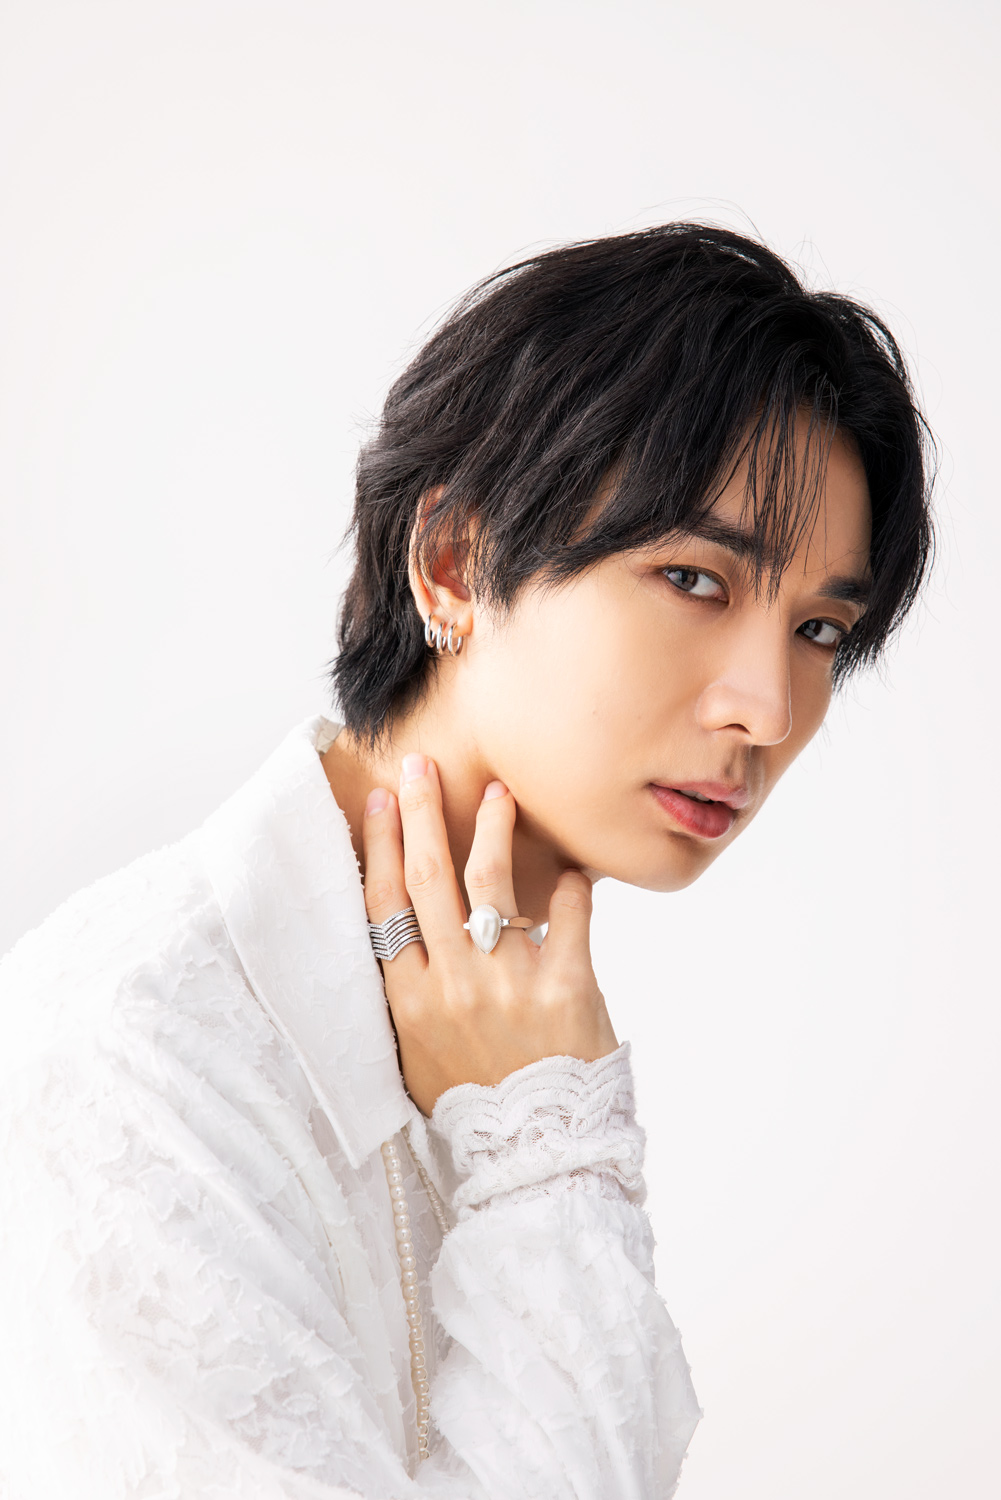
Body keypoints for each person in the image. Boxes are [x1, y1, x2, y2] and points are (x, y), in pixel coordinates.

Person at [0, 224, 932, 1499]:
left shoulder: (510, 1020)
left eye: (819, 629)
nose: (768, 709)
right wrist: (546, 1160)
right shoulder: (129, 1055)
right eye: (692, 578)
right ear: (452, 561)